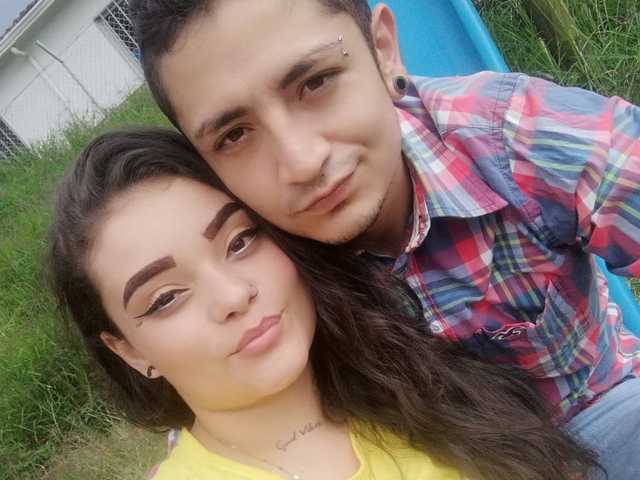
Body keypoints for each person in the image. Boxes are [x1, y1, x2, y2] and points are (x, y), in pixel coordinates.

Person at [128, 1, 640, 477]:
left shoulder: (513, 136)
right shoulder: (247, 250)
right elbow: (224, 404)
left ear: (384, 50)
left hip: (591, 417)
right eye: (234, 135)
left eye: (315, 82)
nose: (302, 162)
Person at [47, 128, 598, 480]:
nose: (234, 295)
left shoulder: (416, 374)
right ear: (128, 349)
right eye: (166, 298)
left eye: (240, 241)